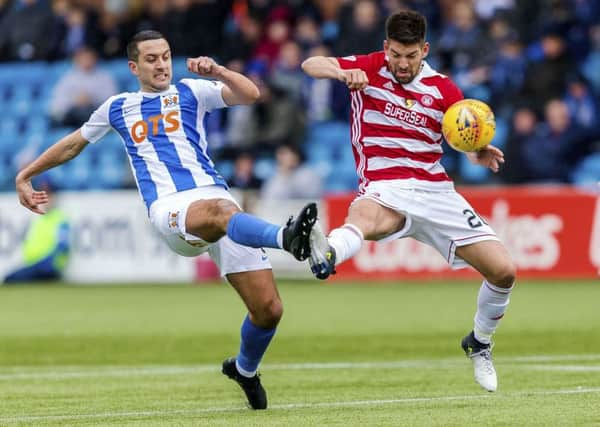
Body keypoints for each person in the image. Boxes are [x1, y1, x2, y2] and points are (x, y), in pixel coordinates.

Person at [15, 30, 320, 410]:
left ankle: (244, 369)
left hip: (217, 198)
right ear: (134, 66)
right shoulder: (118, 107)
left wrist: (220, 72)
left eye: (165, 56)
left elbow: (250, 94)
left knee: (269, 309)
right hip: (170, 208)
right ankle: (286, 237)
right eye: (152, 59)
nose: (161, 65)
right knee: (223, 213)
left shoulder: (193, 91)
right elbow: (74, 143)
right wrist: (25, 174)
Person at [302, 10, 516, 393]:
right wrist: (341, 72)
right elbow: (310, 63)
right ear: (386, 48)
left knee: (504, 272)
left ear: (425, 50)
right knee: (365, 217)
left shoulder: (444, 89)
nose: (402, 64)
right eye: (396, 55)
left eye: (411, 56)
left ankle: (479, 343)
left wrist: (476, 151)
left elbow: (459, 134)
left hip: (436, 191)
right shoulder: (368, 67)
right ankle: (327, 252)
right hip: (386, 186)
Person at [3, 180, 70, 284]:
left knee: (10, 279)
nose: (45, 199)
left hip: (47, 267)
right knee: (10, 278)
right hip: (33, 264)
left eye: (49, 195)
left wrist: (48, 261)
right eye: (42, 195)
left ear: (55, 197)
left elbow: (63, 246)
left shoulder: (60, 219)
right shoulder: (40, 219)